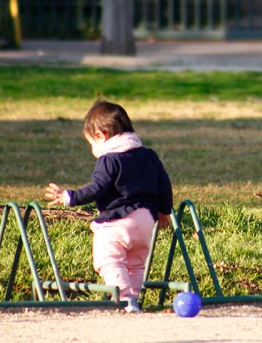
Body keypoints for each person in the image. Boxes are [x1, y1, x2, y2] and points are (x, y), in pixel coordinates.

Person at [45, 100, 174, 313]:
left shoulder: (109, 160)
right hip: (146, 221)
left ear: (100, 136)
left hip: (118, 221)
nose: (93, 150)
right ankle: (134, 299)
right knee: (136, 264)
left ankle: (124, 298)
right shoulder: (149, 155)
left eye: (91, 144)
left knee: (108, 258)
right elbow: (164, 184)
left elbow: (97, 188)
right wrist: (164, 211)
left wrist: (69, 197)